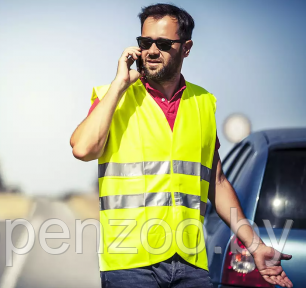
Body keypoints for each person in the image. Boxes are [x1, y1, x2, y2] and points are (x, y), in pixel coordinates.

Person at [70, 3, 293, 288]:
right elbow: (83, 149)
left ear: (186, 48)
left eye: (163, 43)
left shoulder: (202, 103)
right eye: (145, 42)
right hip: (129, 264)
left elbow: (218, 182)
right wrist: (119, 84)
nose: (151, 50)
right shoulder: (115, 95)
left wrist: (255, 245)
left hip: (191, 264)